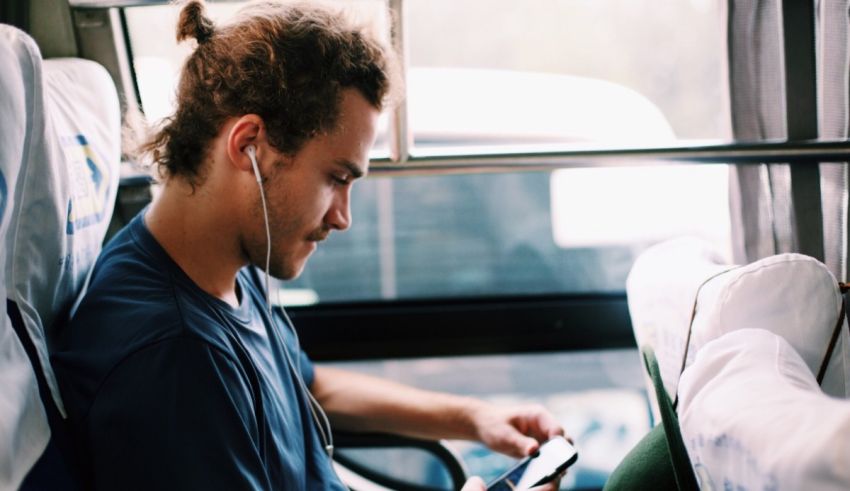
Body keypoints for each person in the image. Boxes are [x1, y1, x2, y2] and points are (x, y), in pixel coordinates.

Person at [52, 1, 566, 489]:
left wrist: (475, 418)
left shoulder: (226, 265)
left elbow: (310, 388)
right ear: (249, 146)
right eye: (337, 177)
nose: (343, 218)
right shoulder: (172, 361)